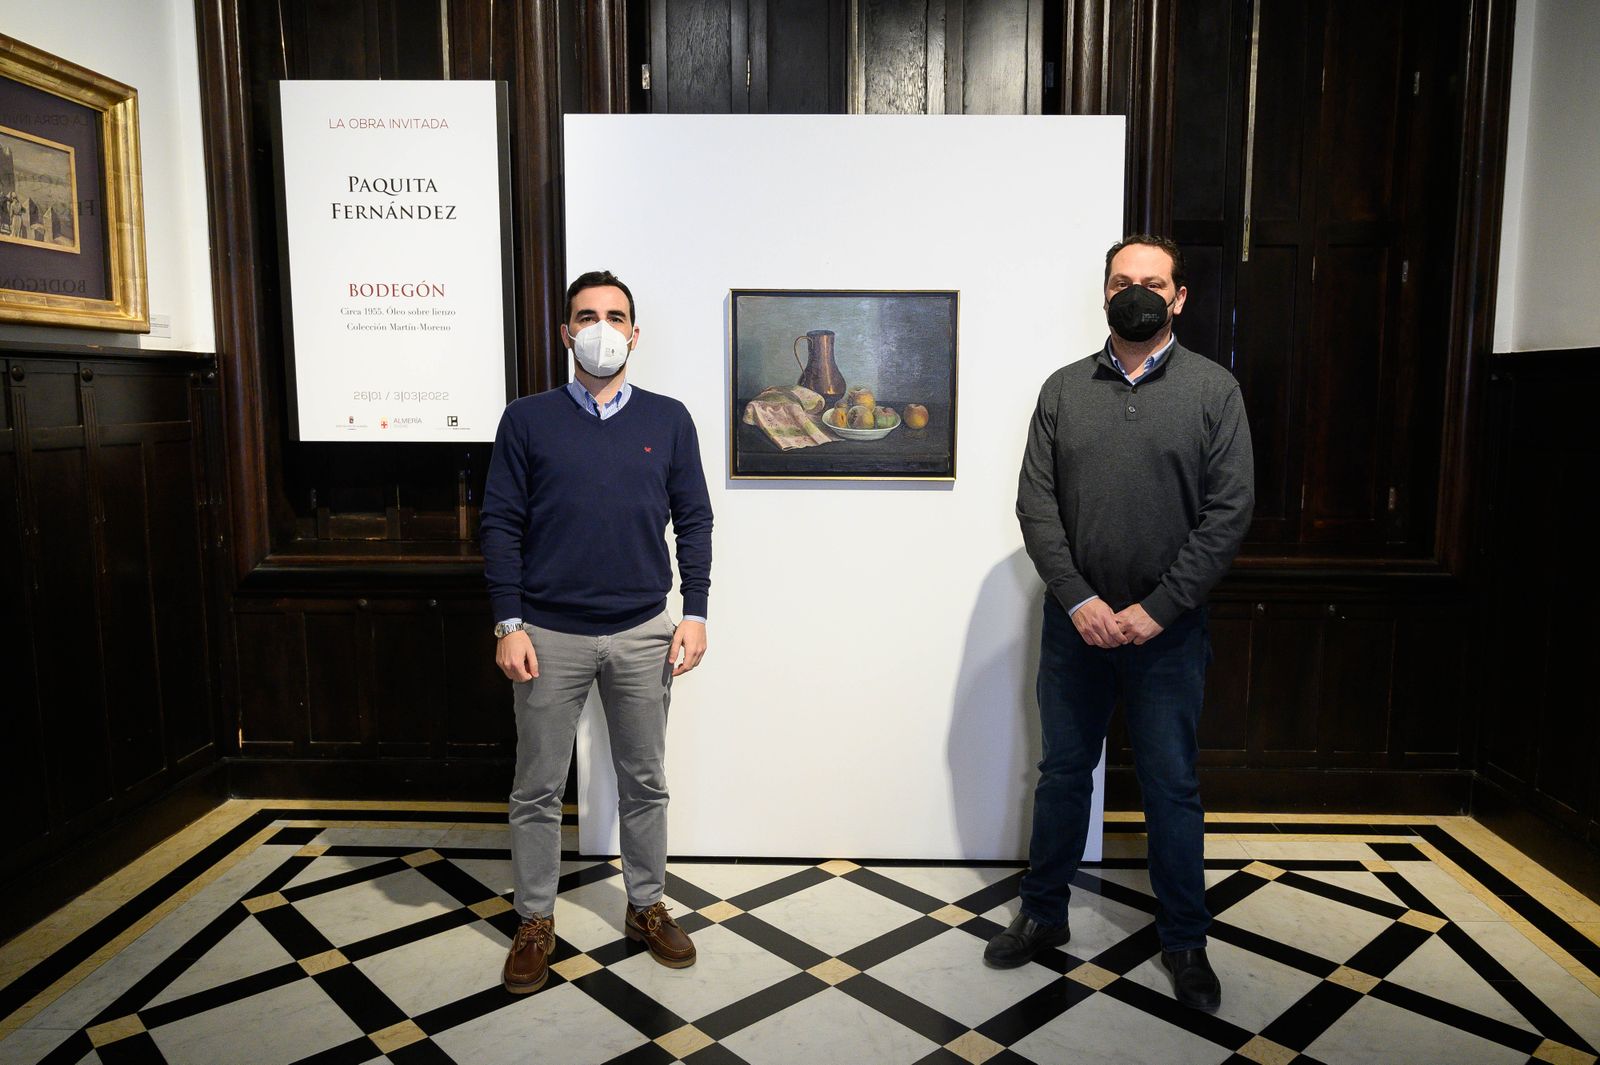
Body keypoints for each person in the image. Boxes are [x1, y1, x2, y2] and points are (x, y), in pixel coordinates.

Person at [988, 235, 1254, 1012]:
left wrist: (1155, 608)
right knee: (1064, 775)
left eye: (1152, 281)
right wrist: (1080, 600)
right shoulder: (1063, 390)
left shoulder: (1214, 390)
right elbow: (1035, 505)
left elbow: (1228, 513)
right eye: (1121, 281)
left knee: (1173, 785)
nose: (1135, 292)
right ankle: (1043, 914)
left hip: (1169, 633)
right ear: (1103, 294)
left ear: (1178, 297)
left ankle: (1185, 938)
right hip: (1077, 629)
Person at [481, 269, 713, 994]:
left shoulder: (669, 418)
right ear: (566, 332)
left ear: (636, 334)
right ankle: (535, 919)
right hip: (547, 632)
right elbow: (500, 523)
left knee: (645, 781)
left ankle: (646, 905)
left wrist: (696, 610)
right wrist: (508, 621)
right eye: (587, 315)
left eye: (615, 316)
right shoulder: (527, 419)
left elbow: (695, 518)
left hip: (644, 628)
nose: (601, 328)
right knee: (538, 786)